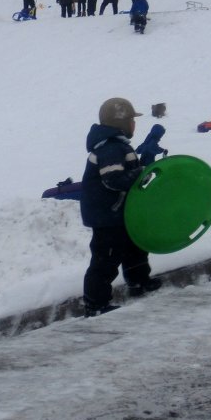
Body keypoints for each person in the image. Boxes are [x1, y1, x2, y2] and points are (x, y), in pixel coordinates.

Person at [80, 97, 161, 317]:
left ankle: (138, 281)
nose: (134, 124)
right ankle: (95, 303)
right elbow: (113, 180)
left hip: (119, 213)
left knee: (135, 247)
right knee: (105, 259)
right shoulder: (110, 148)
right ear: (121, 122)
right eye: (132, 120)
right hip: (106, 215)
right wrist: (140, 172)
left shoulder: (119, 145)